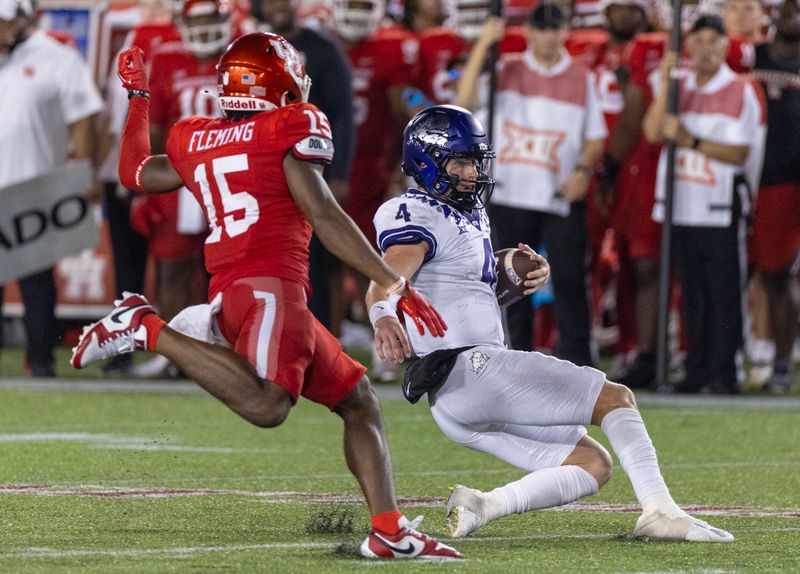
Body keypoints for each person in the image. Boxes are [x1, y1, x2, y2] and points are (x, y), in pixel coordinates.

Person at [71, 32, 459, 561]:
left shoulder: (195, 136)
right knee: (268, 405)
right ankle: (145, 327)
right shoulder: (290, 126)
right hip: (271, 287)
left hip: (240, 290)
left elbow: (134, 171)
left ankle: (388, 529)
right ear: (279, 84)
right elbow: (324, 216)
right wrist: (392, 281)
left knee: (359, 401)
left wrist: (139, 99)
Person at [366, 103, 734, 543]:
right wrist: (383, 314)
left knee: (592, 465)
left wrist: (507, 275)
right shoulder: (415, 211)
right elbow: (388, 276)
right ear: (427, 162)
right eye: (461, 161)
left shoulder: (467, 213)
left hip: (454, 398)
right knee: (616, 398)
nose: (471, 172)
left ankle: (483, 505)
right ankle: (661, 511)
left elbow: (456, 289)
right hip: (473, 370)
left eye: (474, 160)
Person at [457, 2, 607, 365]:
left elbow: (595, 135)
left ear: (566, 31)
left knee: (570, 279)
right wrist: (483, 46)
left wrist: (583, 172)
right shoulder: (507, 69)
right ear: (529, 32)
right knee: (509, 280)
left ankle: (578, 361)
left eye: (556, 28)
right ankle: (512, 357)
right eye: (542, 28)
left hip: (559, 193)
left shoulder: (581, 77)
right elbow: (465, 101)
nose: (549, 36)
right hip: (510, 192)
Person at [643, 15, 764, 394]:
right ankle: (695, 368)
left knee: (723, 292)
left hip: (719, 204)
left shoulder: (740, 89)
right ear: (690, 46)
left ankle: (724, 371)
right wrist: (666, 81)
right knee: (691, 292)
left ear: (727, 46)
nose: (707, 49)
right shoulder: (678, 87)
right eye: (700, 41)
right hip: (682, 203)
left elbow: (740, 151)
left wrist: (690, 140)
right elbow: (652, 131)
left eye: (715, 41)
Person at [0, 0, 103, 377]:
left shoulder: (57, 56)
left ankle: (41, 361)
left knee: (36, 280)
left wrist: (81, 172)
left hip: (34, 187)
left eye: (3, 22)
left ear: (24, 19)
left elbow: (83, 116)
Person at [257, 0, 355, 334]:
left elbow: (343, 113)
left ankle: (320, 334)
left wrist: (339, 172)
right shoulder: (253, 48)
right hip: (262, 168)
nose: (278, 6)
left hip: (308, 164)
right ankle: (269, 332)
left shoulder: (322, 48)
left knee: (313, 257)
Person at [750, 0, 800, 393]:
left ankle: (782, 361)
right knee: (763, 274)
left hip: (788, 180)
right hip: (757, 178)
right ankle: (764, 359)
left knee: (783, 276)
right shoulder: (753, 55)